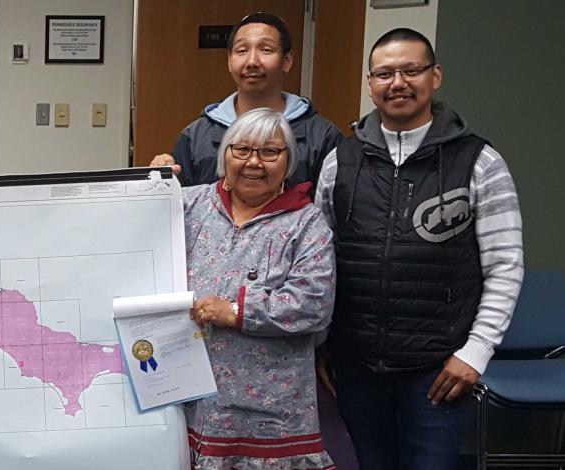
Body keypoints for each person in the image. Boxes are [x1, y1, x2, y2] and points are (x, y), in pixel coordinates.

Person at [316, 28, 523, 469]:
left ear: (436, 76)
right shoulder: (341, 162)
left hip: (439, 368)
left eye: (411, 70)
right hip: (355, 365)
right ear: (370, 82)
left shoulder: (479, 162)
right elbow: (319, 263)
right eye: (385, 73)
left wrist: (475, 352)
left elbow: (505, 266)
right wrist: (319, 344)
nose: (398, 83)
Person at [181, 107, 336, 469]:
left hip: (272, 406)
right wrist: (153, 180)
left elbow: (313, 304)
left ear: (288, 162)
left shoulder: (306, 223)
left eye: (270, 152)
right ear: (225, 156)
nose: (254, 162)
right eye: (242, 150)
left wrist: (236, 311)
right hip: (189, 394)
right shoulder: (189, 205)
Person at [151, 12, 342, 188]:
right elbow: (179, 205)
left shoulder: (322, 136)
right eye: (242, 50)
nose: (252, 62)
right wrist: (161, 179)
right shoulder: (196, 137)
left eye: (266, 50)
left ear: (287, 61)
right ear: (229, 61)